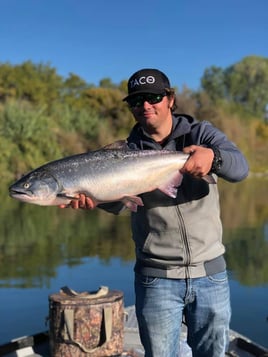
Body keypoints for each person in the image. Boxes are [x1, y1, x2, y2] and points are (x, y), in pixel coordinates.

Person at [62, 68, 249, 357]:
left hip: (211, 273)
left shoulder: (201, 133)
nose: (145, 106)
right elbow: (123, 204)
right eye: (136, 101)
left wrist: (214, 157)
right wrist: (96, 199)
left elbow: (240, 169)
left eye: (153, 97)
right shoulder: (123, 152)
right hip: (156, 278)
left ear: (170, 99)